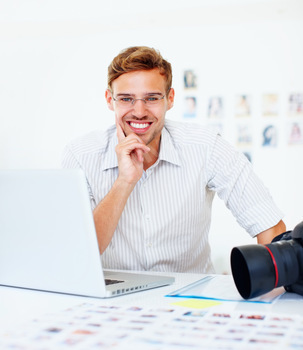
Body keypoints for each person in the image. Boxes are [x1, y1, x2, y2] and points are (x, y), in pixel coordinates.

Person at [62, 46, 286, 274]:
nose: (139, 111)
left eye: (151, 98)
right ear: (110, 100)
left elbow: (269, 224)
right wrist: (124, 181)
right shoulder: (81, 155)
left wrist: (270, 294)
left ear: (170, 99)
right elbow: (78, 252)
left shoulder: (206, 146)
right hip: (114, 302)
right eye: (126, 98)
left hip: (192, 298)